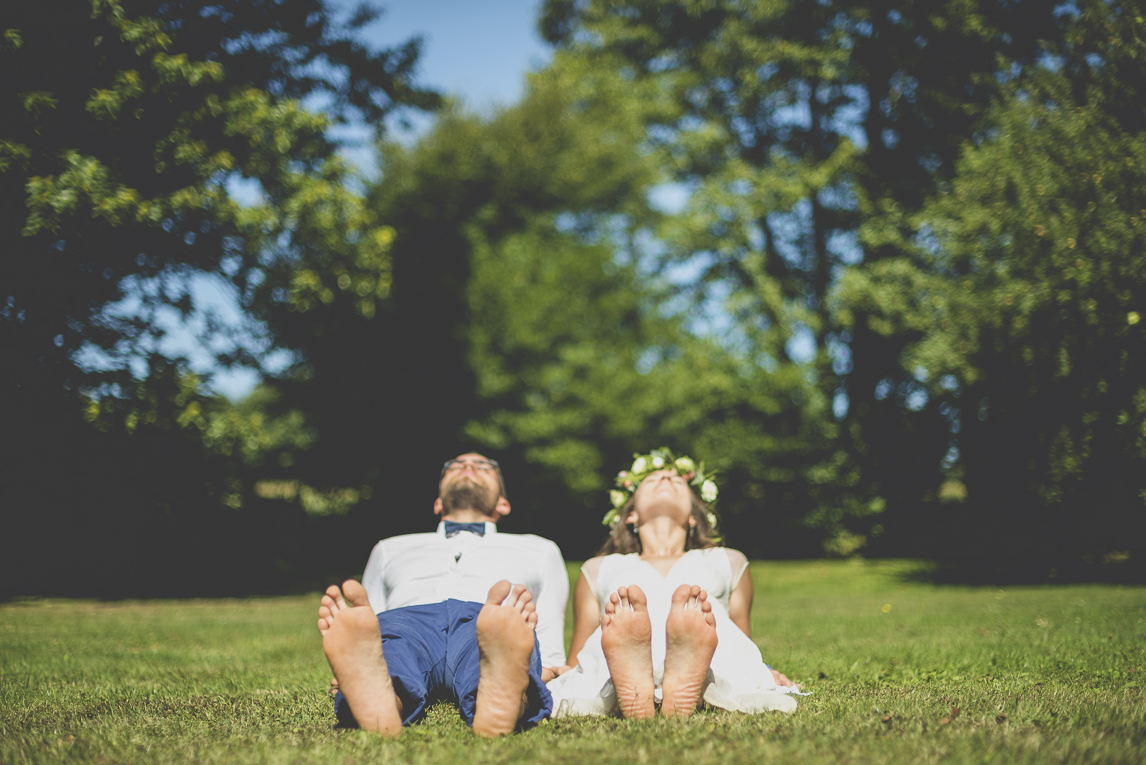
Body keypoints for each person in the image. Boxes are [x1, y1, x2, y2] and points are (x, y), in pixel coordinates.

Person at [317, 453, 568, 737]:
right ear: (437, 502)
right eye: (456, 466)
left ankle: (505, 691)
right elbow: (369, 619)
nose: (469, 467)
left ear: (503, 504)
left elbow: (548, 619)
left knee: (501, 648)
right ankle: (380, 695)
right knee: (392, 647)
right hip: (408, 620)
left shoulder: (540, 549)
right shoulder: (389, 548)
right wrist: (359, 658)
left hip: (489, 621)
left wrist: (546, 666)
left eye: (484, 466)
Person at [546, 448, 803, 719]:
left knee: (703, 620)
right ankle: (638, 682)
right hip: (613, 665)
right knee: (622, 627)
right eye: (653, 480)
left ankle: (675, 680)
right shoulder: (599, 567)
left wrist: (760, 669)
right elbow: (578, 658)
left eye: (677, 481)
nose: (667, 480)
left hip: (712, 659)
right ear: (631, 514)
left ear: (694, 516)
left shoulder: (728, 560)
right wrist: (560, 671)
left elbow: (740, 639)